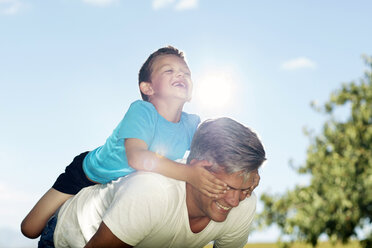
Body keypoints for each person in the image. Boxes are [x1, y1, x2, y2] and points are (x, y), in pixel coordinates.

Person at [21, 46, 229, 239]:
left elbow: (219, 150)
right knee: (30, 229)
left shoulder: (191, 124)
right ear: (147, 88)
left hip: (122, 187)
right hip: (87, 175)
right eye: (169, 70)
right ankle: (65, 211)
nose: (181, 74)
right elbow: (137, 157)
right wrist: (190, 174)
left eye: (186, 72)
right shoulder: (142, 111)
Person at [52, 117, 266, 248]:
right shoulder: (152, 192)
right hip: (73, 237)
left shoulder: (244, 203)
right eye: (226, 187)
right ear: (197, 167)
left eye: (245, 189)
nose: (234, 201)